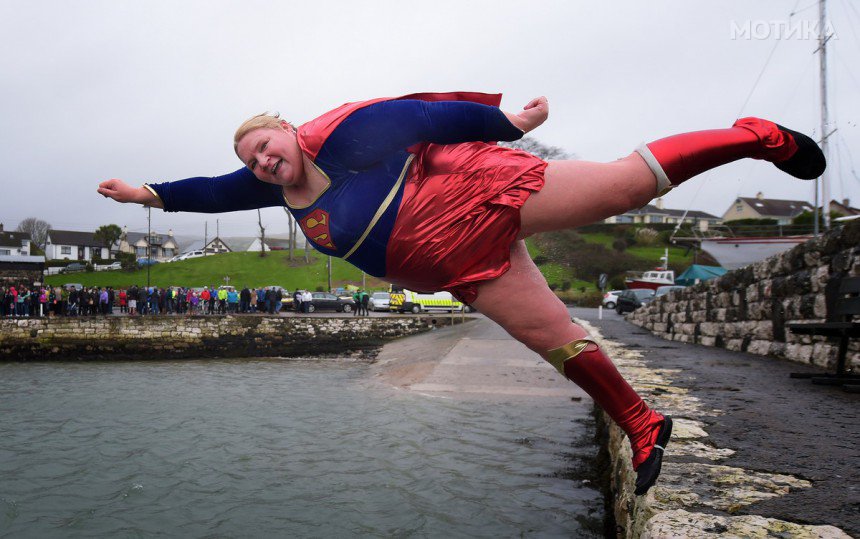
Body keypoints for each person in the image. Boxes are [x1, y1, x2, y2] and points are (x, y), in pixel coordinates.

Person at [98, 91, 824, 494]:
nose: (261, 161)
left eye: (266, 144)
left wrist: (506, 123)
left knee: (621, 186)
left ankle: (751, 136)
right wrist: (146, 194)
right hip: (465, 270)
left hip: (481, 199)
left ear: (289, 127)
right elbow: (207, 192)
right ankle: (642, 423)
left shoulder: (346, 132)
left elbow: (426, 113)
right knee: (555, 341)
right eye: (252, 160)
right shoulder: (277, 188)